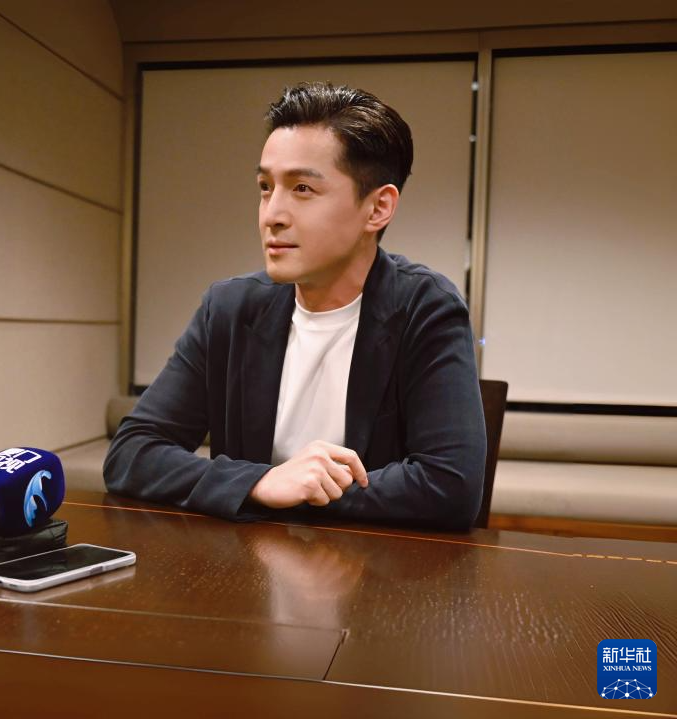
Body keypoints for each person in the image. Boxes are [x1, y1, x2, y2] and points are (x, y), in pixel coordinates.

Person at [104, 82, 486, 529]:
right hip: (246, 564)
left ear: (378, 208)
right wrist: (260, 483)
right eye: (266, 187)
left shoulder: (425, 308)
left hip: (374, 567)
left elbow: (451, 487)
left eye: (302, 188)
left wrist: (304, 492)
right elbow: (132, 453)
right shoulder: (230, 308)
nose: (272, 215)